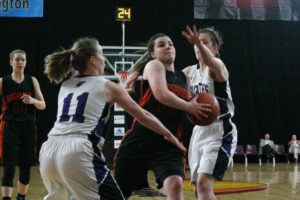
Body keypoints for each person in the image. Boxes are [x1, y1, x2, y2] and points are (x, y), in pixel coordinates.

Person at [39, 37, 186, 200]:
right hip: (79, 151)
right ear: (93, 60)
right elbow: (144, 115)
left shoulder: (66, 86)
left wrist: (120, 90)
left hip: (49, 150)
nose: (104, 60)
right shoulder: (108, 86)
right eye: (102, 54)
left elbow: (89, 105)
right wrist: (170, 135)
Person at [114, 32, 212, 200]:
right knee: (118, 194)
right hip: (141, 139)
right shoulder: (154, 65)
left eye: (171, 44)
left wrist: (202, 113)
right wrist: (189, 106)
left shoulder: (184, 77)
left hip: (169, 143)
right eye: (162, 45)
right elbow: (161, 94)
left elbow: (186, 111)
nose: (168, 46)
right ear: (153, 53)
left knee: (175, 184)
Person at [182, 25, 238, 200]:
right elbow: (169, 83)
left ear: (214, 48)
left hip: (220, 129)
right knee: (198, 189)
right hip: (199, 131)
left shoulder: (217, 67)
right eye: (197, 43)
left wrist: (198, 44)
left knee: (204, 184)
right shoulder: (189, 72)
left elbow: (212, 62)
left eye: (204, 43)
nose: (199, 46)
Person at [0, 49, 46, 200]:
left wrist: (33, 101)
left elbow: (43, 105)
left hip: (27, 126)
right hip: (9, 126)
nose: (20, 62)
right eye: (17, 59)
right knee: (9, 166)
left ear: (26, 62)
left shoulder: (32, 81)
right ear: (11, 62)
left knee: (25, 166)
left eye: (23, 60)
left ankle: (21, 197)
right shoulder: (3, 81)